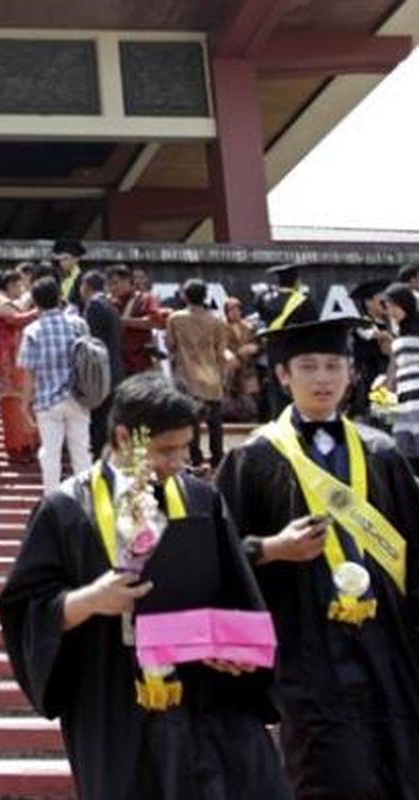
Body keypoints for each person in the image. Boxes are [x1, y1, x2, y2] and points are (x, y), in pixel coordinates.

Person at [0, 372, 290, 800]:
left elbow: (235, 593)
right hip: (113, 697)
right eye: (165, 449)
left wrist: (233, 651)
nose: (178, 460)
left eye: (184, 447)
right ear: (122, 436)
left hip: (205, 697)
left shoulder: (200, 499)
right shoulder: (64, 510)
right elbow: (25, 608)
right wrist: (90, 600)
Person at [217, 316, 419, 799]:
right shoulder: (255, 458)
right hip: (306, 650)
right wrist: (268, 550)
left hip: (386, 646)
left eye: (334, 365)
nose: (323, 378)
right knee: (329, 776)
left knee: (401, 765)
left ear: (353, 373)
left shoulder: (382, 452)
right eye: (308, 367)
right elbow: (218, 553)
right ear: (283, 376)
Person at [19, 276, 92, 494]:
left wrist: (25, 406)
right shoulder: (79, 324)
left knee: (50, 453)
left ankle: (52, 498)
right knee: (81, 451)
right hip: (78, 396)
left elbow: (29, 373)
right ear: (60, 297)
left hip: (47, 400)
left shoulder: (32, 330)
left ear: (35, 302)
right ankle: (85, 498)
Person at [165, 279, 226, 471]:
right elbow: (221, 351)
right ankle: (218, 459)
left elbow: (169, 345)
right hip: (211, 376)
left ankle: (196, 460)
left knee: (191, 422)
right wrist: (222, 377)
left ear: (184, 296)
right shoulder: (216, 320)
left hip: (186, 377)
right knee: (215, 423)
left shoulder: (175, 319)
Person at [255, 264, 320, 418]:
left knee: (276, 386)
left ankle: (278, 420)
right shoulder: (304, 301)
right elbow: (314, 327)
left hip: (273, 348)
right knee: (295, 386)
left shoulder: (265, 300)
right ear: (296, 281)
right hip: (296, 349)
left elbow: (261, 314)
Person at [0, 267, 40, 464]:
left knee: (21, 399)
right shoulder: (1, 302)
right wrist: (40, 309)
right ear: (10, 285)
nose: (21, 288)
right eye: (18, 284)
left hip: (15, 355)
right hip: (7, 357)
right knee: (12, 401)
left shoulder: (10, 302)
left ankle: (25, 444)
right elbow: (17, 321)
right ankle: (17, 446)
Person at [80, 269, 125, 458]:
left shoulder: (94, 306)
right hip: (114, 367)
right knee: (106, 420)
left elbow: (91, 342)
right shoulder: (110, 305)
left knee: (98, 422)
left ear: (85, 286)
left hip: (101, 371)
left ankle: (100, 464)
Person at [384, 283, 419, 473]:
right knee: (405, 455)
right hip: (404, 399)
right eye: (388, 307)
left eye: (393, 306)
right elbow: (396, 366)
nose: (391, 312)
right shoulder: (397, 333)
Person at [348, 279, 394, 421]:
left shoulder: (390, 323)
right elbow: (380, 337)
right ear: (369, 302)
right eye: (381, 299)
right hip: (368, 375)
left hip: (389, 374)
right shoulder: (362, 324)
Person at [107, 264, 164, 376]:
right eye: (110, 285)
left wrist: (122, 321)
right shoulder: (108, 303)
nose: (112, 288)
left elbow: (154, 322)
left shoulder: (145, 299)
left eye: (115, 283)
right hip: (116, 364)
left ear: (128, 280)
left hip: (139, 364)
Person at [221, 298, 261, 422]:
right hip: (229, 368)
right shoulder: (221, 327)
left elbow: (257, 343)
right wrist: (230, 355)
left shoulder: (248, 327)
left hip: (247, 367)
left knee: (251, 397)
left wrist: (253, 348)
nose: (235, 312)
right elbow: (219, 346)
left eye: (237, 309)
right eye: (231, 310)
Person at [51, 239, 86, 309]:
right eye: (60, 260)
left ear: (76, 259)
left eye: (65, 258)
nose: (62, 262)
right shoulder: (59, 277)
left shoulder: (83, 278)